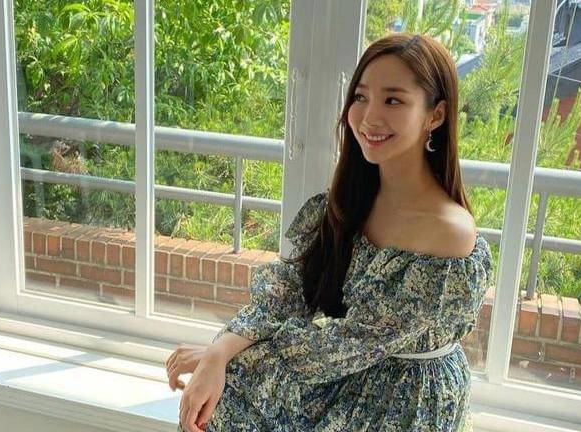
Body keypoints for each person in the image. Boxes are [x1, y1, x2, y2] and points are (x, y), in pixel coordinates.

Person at [167, 32, 494, 432]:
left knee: (234, 391)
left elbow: (352, 342)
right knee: (223, 396)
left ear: (436, 115)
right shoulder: (349, 202)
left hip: (407, 403)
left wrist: (231, 359)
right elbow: (292, 288)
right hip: (345, 377)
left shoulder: (446, 231)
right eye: (360, 97)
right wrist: (220, 351)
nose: (369, 117)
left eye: (393, 100)